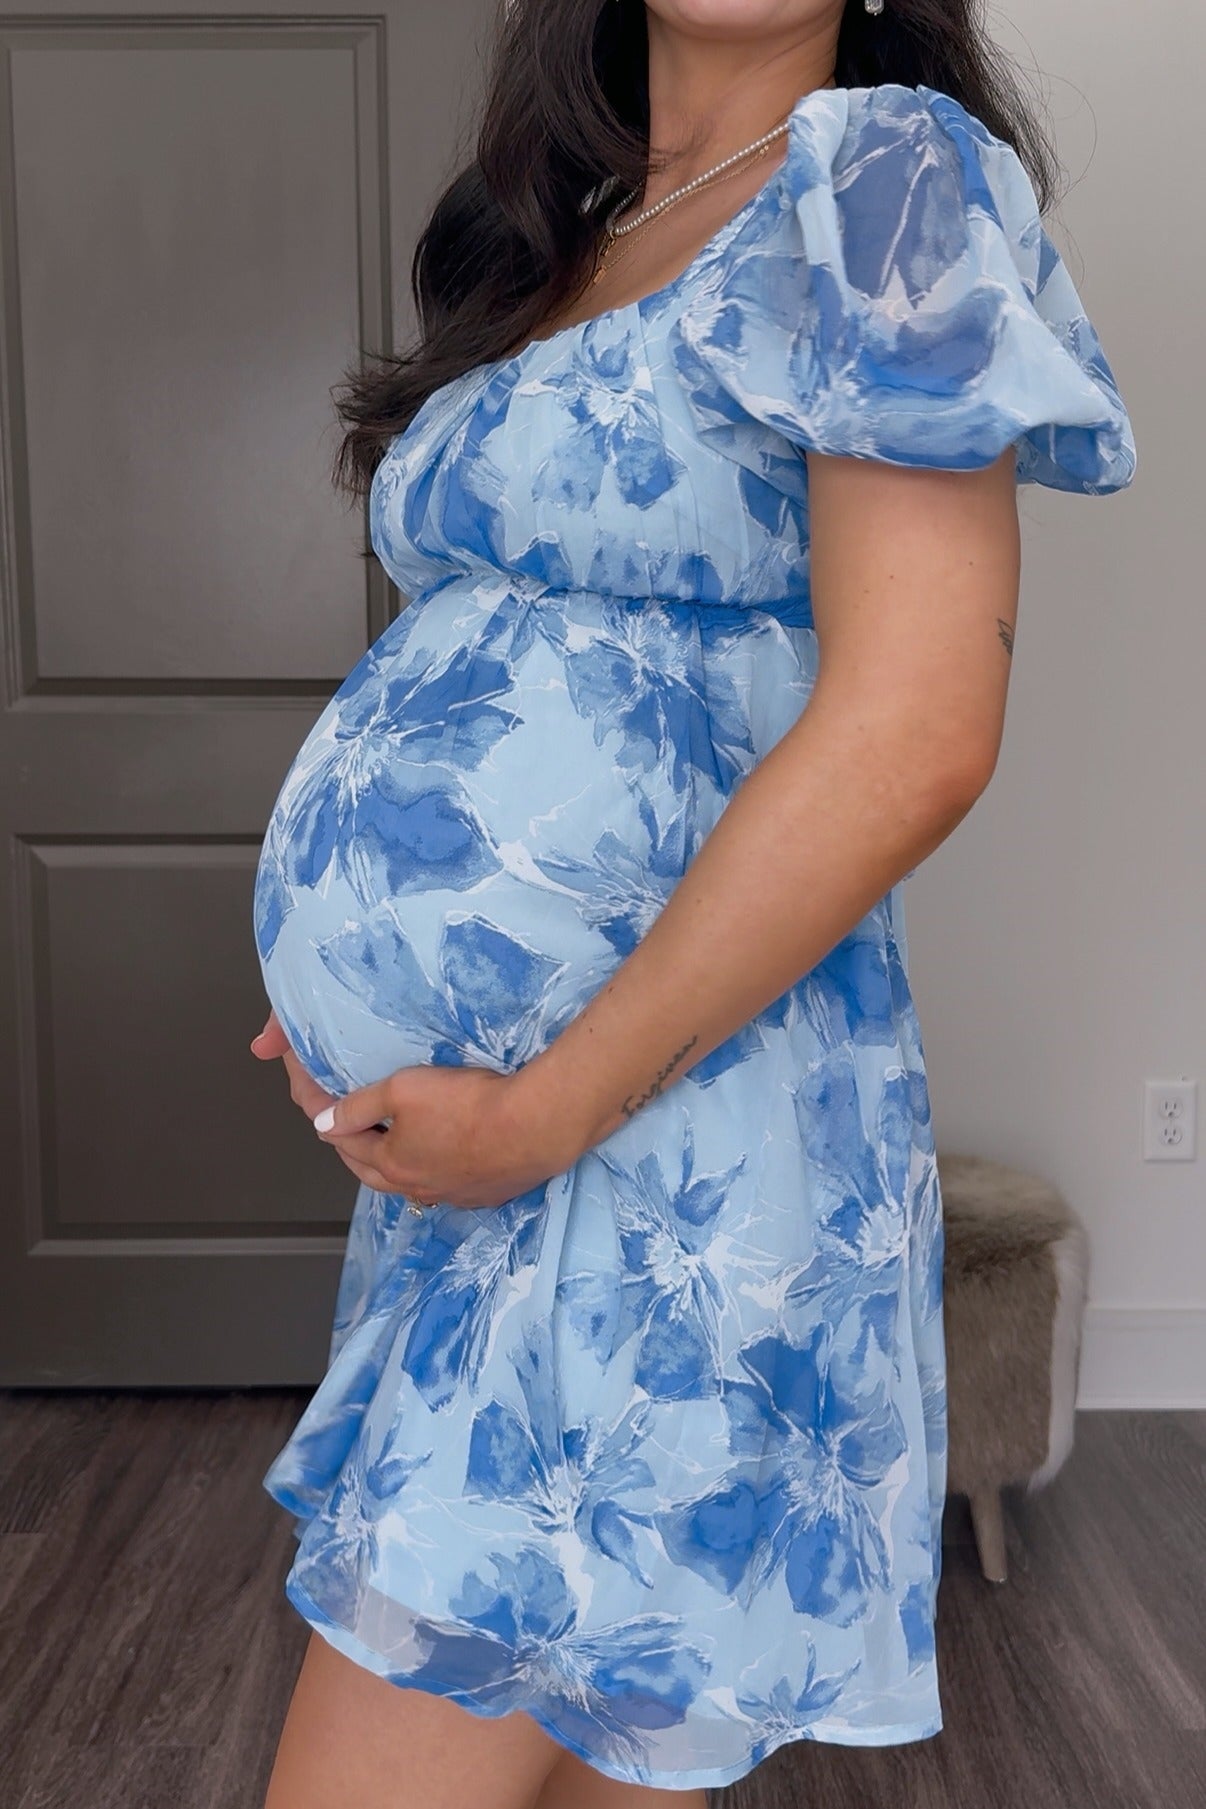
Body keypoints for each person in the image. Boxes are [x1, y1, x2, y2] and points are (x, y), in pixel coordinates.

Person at [249, 1, 1135, 1804]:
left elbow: (915, 729)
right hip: (514, 1170)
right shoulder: (559, 229)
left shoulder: (885, 176)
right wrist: (366, 965)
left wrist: (543, 1106)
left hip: (655, 1151)